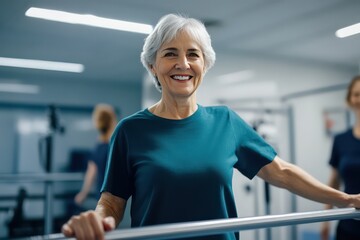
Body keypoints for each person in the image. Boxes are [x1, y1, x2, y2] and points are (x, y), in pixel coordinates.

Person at [62, 14, 360, 240]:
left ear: (205, 64)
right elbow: (112, 201)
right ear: (152, 65)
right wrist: (98, 220)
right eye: (170, 54)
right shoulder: (130, 131)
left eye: (193, 54)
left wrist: (346, 199)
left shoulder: (225, 121)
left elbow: (281, 172)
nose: (183, 63)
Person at [321, 75, 360, 240]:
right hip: (347, 225)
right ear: (350, 100)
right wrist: (325, 219)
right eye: (357, 94)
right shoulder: (340, 140)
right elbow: (334, 182)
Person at [74, 104, 117, 207]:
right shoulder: (114, 145)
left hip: (104, 196)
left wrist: (83, 194)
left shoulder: (99, 147)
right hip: (114, 197)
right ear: (112, 121)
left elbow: (91, 172)